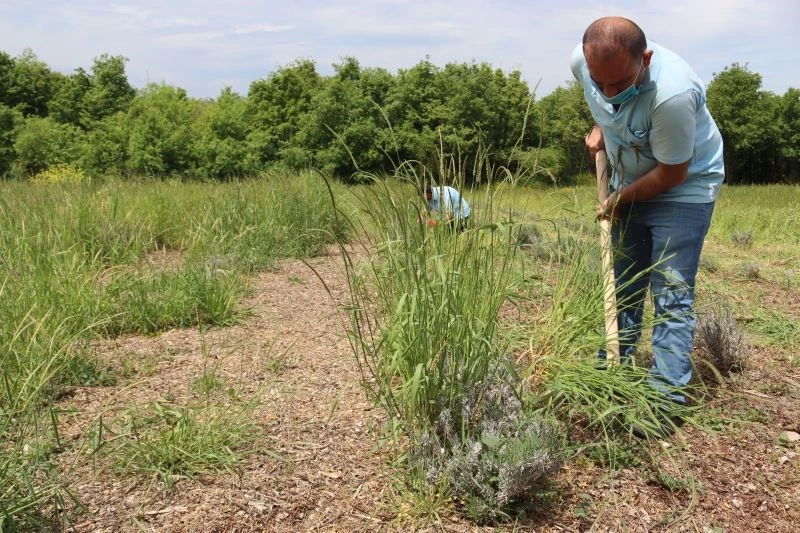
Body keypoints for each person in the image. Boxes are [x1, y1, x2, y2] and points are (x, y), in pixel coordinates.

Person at [571, 17, 725, 435]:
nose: (609, 93)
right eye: (599, 83)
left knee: (671, 291)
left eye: (620, 84)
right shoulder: (583, 63)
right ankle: (612, 370)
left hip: (684, 188)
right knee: (622, 283)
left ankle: (663, 399)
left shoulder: (673, 94)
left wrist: (618, 200)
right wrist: (603, 125)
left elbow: (672, 173)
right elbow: (605, 102)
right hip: (628, 181)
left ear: (646, 60)